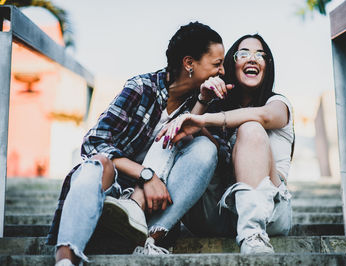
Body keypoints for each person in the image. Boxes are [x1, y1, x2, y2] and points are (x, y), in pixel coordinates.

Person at [47, 22, 227, 266]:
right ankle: (66, 258)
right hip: (114, 194)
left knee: (199, 144)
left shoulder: (209, 102)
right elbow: (94, 142)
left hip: (156, 205)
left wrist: (202, 106)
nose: (223, 71)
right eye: (217, 64)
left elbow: (221, 156)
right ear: (189, 63)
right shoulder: (142, 88)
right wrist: (146, 175)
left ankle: (149, 238)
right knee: (97, 164)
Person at [157, 34, 294, 254]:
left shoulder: (278, 103)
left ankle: (253, 235)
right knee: (200, 145)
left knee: (250, 127)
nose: (252, 59)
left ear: (268, 66)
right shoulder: (216, 106)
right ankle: (155, 231)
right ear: (232, 62)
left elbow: (264, 117)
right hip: (219, 213)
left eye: (260, 55)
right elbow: (185, 135)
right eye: (244, 54)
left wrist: (206, 119)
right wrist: (203, 100)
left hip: (270, 212)